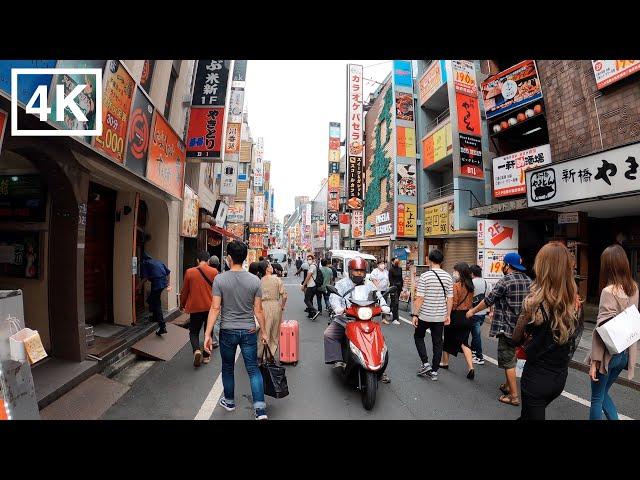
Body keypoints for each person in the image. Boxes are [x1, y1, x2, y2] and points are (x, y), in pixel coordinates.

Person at [512, 242, 583, 420]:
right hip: (560, 377)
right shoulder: (574, 302)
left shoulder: (534, 302)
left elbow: (516, 338)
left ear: (542, 267)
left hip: (536, 378)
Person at [204, 241, 270, 420]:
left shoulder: (220, 279)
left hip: (227, 330)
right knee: (253, 369)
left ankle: (229, 401)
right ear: (245, 257)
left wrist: (208, 334)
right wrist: (263, 332)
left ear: (229, 258)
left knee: (227, 367)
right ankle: (260, 410)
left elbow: (215, 308)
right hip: (248, 330)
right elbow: (258, 310)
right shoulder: (255, 280)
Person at [466, 252, 532, 406]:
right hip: (523, 328)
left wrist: (473, 311)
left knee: (507, 360)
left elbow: (488, 301)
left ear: (508, 265)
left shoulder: (505, 281)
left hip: (507, 327)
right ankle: (508, 385)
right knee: (513, 357)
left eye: (504, 264)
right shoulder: (529, 281)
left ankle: (514, 396)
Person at [587, 244, 639, 420]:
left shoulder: (608, 291)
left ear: (607, 266)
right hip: (624, 353)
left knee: (596, 398)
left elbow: (601, 329)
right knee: (602, 394)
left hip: (608, 355)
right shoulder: (634, 288)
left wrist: (595, 361)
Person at [324, 257, 390, 383]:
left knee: (380, 339)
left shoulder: (369, 284)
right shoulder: (342, 283)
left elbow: (378, 296)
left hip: (365, 318)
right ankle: (338, 359)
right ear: (350, 271)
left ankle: (380, 368)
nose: (359, 273)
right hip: (345, 318)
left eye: (361, 271)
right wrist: (338, 308)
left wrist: (384, 306)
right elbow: (334, 296)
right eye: (356, 270)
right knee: (329, 334)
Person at [412, 249, 453, 381]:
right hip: (440, 316)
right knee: (437, 342)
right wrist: (448, 315)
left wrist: (415, 314)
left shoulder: (425, 276)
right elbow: (450, 298)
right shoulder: (448, 277)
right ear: (442, 261)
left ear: (429, 260)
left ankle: (425, 363)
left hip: (424, 315)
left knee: (418, 336)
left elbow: (420, 298)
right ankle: (434, 371)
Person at [180, 251, 218, 366]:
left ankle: (196, 350)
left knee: (194, 331)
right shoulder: (214, 271)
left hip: (195, 307)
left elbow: (185, 291)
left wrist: (182, 304)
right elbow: (217, 290)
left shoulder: (190, 272)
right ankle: (206, 356)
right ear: (208, 260)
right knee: (208, 330)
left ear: (197, 260)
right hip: (210, 307)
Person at [441, 262, 476, 380]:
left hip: (455, 316)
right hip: (467, 316)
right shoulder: (471, 286)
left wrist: (447, 314)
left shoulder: (456, 286)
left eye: (455, 271)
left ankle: (444, 362)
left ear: (460, 272)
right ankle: (471, 367)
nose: (454, 273)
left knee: (447, 339)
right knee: (464, 343)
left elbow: (454, 303)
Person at [138, 252, 171, 335]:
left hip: (156, 284)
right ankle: (155, 317)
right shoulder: (157, 261)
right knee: (152, 300)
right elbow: (168, 272)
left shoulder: (145, 263)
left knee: (156, 303)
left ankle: (162, 326)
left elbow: (145, 277)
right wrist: (168, 284)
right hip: (162, 283)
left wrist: (139, 286)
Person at [259, 261, 287, 360]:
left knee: (264, 330)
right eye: (270, 265)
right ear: (267, 268)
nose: (272, 267)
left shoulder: (260, 281)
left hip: (262, 306)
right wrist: (282, 306)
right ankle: (270, 354)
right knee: (274, 332)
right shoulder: (277, 280)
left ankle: (261, 354)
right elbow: (284, 296)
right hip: (275, 305)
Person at [470, 265, 490, 365]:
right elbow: (490, 298)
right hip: (483, 312)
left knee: (476, 334)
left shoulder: (471, 283)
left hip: (473, 312)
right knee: (475, 333)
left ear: (472, 273)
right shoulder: (487, 283)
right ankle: (473, 351)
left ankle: (479, 356)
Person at [301, 254, 320, 320]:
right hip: (314, 285)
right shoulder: (315, 265)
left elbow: (308, 276)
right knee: (310, 299)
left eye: (310, 259)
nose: (309, 260)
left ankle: (315, 311)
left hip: (311, 285)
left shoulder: (312, 266)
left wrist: (303, 285)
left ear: (313, 259)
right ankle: (311, 314)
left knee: (306, 300)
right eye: (308, 259)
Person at [388, 257, 403, 325]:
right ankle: (395, 318)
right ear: (392, 262)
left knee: (396, 302)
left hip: (399, 287)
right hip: (393, 288)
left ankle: (391, 312)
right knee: (395, 303)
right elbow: (390, 280)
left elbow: (401, 278)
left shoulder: (400, 269)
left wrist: (402, 286)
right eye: (395, 261)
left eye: (398, 260)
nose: (397, 262)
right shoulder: (391, 270)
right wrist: (392, 287)